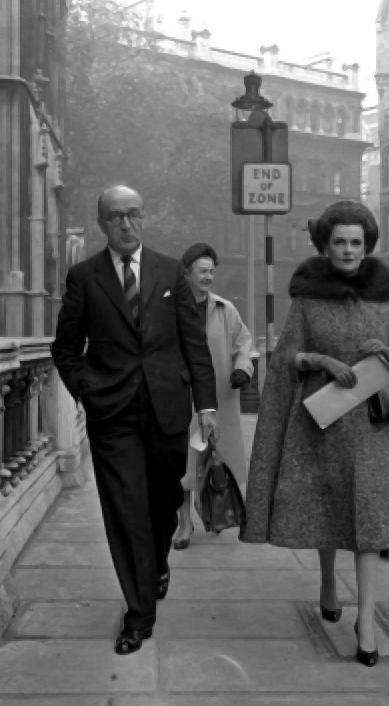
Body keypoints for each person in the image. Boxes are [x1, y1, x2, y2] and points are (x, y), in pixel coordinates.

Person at [240, 201, 389, 667]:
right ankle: (329, 582)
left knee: (371, 525)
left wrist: (385, 352)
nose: (348, 250)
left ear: (366, 246)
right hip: (322, 424)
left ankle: (366, 621)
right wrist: (320, 361)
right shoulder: (307, 299)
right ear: (326, 247)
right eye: (340, 242)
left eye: (356, 242)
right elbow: (288, 354)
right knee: (328, 509)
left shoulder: (382, 297)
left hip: (372, 428)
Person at [51, 185, 219, 655]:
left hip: (167, 409)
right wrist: (88, 390)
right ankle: (138, 612)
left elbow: (194, 345)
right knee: (126, 513)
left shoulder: (170, 272)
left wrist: (206, 408)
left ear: (144, 218)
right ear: (102, 224)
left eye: (133, 215)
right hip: (113, 416)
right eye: (115, 217)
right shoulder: (85, 277)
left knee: (163, 504)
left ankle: (157, 564)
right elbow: (65, 350)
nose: (126, 224)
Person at [172, 243, 253, 549]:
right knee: (184, 462)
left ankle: (213, 509)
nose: (208, 277)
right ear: (187, 273)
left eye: (211, 272)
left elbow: (243, 344)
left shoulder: (224, 309)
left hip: (217, 399)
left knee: (213, 458)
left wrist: (243, 370)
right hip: (181, 398)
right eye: (202, 271)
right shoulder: (173, 309)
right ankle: (184, 523)